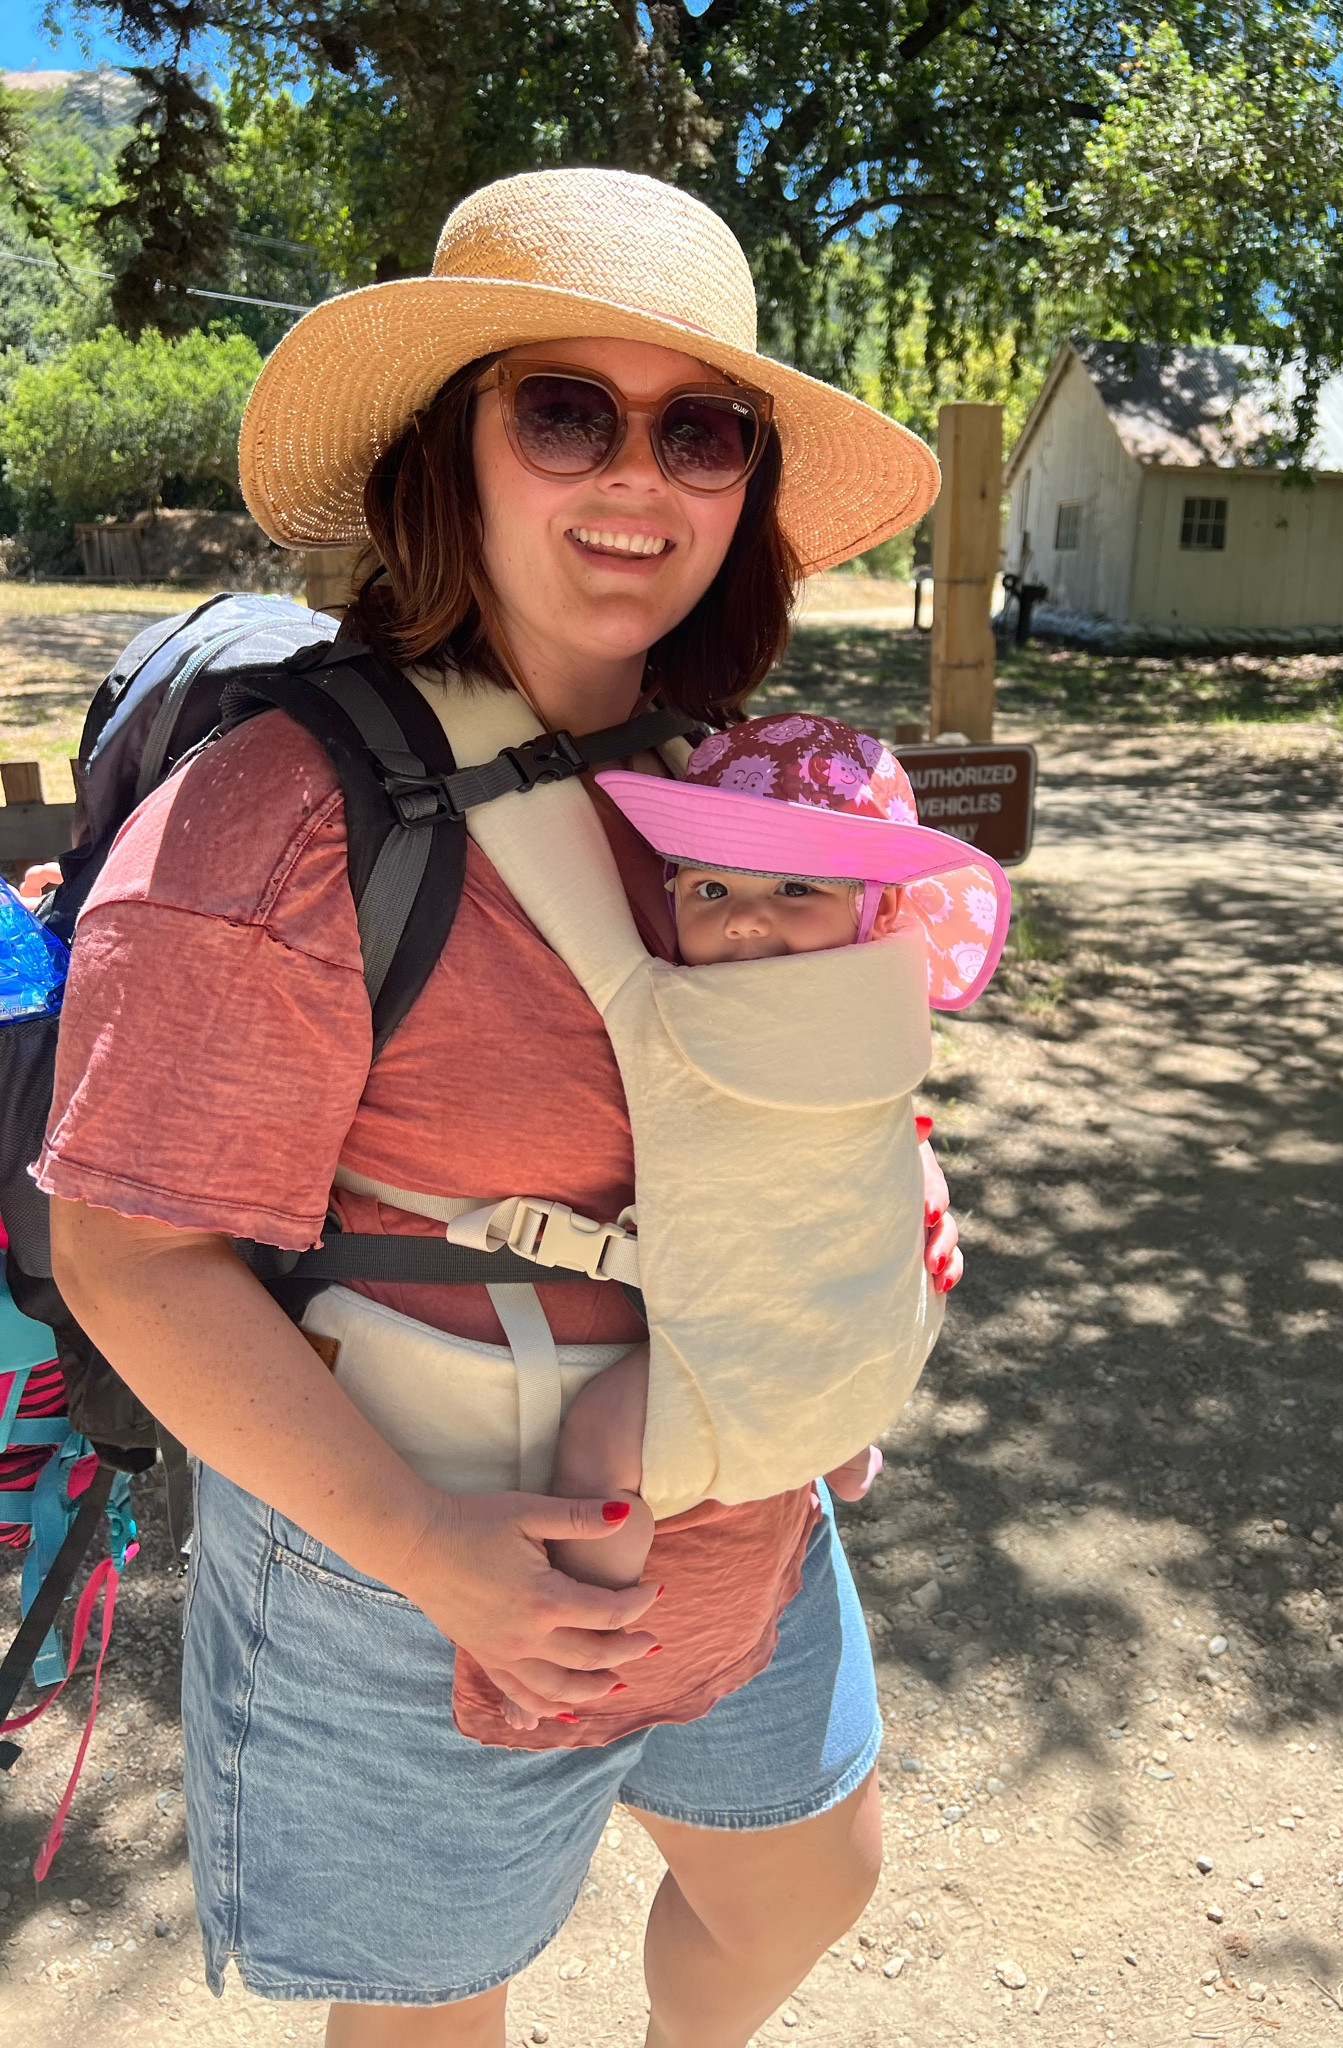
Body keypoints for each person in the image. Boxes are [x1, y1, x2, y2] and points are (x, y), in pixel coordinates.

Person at [40, 168, 961, 2046]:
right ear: (442, 457)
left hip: (735, 1504)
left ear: (746, 488)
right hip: (414, 1559)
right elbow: (131, 1257)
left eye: (698, 430)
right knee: (432, 2015)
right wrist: (431, 1545)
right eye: (565, 412)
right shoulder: (272, 819)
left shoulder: (730, 785)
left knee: (809, 1872)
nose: (640, 477)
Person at [545, 712, 1009, 1597]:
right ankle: (839, 1451)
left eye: (797, 888)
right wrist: (923, 1178)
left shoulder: (671, 1007)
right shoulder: (884, 993)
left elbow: (884, 1126)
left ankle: (587, 1625)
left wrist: (920, 1184)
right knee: (832, 1365)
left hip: (771, 1336)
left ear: (878, 911)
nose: (749, 923)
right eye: (710, 891)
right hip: (878, 1338)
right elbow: (893, 1119)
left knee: (601, 1442)